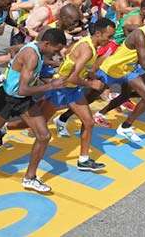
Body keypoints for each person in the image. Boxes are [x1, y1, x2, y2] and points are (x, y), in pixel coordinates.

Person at [0, 29, 67, 193]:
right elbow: (23, 89)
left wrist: (51, 64)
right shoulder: (32, 55)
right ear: (46, 44)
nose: (57, 53)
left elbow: (15, 53)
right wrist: (51, 85)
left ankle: (30, 178)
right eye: (56, 50)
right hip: (8, 99)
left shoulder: (36, 48)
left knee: (44, 135)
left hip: (22, 101)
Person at [94, 12, 145, 143]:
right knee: (89, 96)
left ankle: (103, 115)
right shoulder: (141, 34)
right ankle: (124, 126)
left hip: (132, 66)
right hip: (119, 67)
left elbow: (128, 28)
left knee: (144, 94)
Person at [48, 19, 116, 171]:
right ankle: (4, 126)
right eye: (108, 36)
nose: (110, 40)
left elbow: (67, 53)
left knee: (89, 122)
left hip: (72, 89)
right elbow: (72, 77)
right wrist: (91, 84)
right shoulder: (88, 49)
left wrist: (90, 74)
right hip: (61, 87)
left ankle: (83, 160)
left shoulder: (89, 43)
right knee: (34, 123)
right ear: (98, 33)